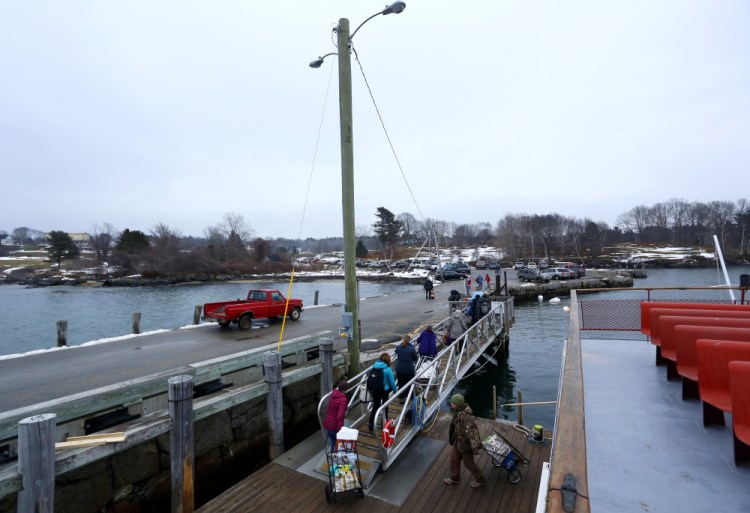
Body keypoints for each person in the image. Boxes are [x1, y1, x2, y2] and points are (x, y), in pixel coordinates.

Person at [443, 394, 486, 488]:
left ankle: (481, 480)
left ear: (458, 404)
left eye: (453, 403)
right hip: (458, 442)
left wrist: (475, 449)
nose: (451, 404)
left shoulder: (465, 417)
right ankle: (455, 479)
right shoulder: (457, 411)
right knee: (453, 460)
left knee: (469, 464)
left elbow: (472, 433)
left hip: (466, 445)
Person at [368, 353, 397, 431]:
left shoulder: (374, 366)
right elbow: (392, 382)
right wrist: (395, 391)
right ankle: (384, 423)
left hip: (374, 390)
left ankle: (371, 424)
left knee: (376, 406)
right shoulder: (388, 369)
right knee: (385, 406)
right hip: (384, 391)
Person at [322, 380, 350, 450]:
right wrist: (341, 429)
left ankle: (333, 457)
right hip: (334, 426)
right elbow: (340, 416)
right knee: (337, 443)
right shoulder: (343, 400)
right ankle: (336, 458)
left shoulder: (333, 394)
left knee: (333, 442)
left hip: (328, 423)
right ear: (346, 389)